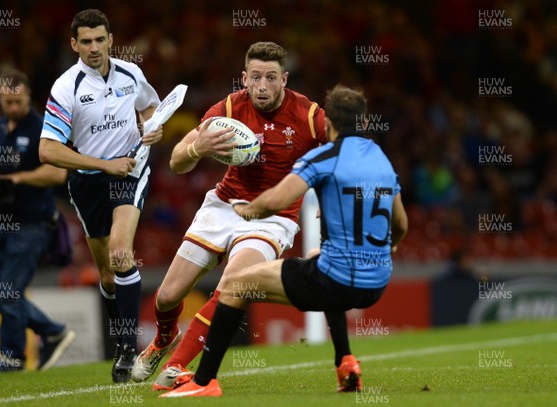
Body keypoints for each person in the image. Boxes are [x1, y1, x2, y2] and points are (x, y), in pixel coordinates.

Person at [160, 84, 409, 397]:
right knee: (321, 253)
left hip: (336, 281)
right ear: (364, 122)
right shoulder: (380, 158)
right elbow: (400, 223)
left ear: (328, 121)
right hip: (377, 283)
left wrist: (247, 209)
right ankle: (346, 361)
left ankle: (204, 382)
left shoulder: (322, 157)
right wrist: (390, 245)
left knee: (236, 285)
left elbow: (277, 200)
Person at [131, 41, 329, 388]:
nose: (262, 86)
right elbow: (177, 161)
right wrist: (198, 147)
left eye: (270, 77)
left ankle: (177, 367)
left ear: (284, 78)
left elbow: (346, 150)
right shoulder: (227, 109)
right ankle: (165, 338)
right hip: (224, 207)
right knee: (166, 297)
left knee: (231, 284)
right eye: (255, 77)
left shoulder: (309, 116)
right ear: (244, 79)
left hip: (272, 216)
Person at [38, 9, 162, 382]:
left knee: (122, 252)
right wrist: (103, 165)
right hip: (88, 181)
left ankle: (126, 349)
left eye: (100, 39)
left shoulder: (130, 73)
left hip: (130, 171)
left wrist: (151, 128)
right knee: (107, 275)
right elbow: (47, 150)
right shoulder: (66, 86)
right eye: (86, 42)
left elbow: (151, 108)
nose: (94, 48)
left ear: (110, 39)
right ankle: (123, 341)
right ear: (74, 44)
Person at [0, 68, 75, 373]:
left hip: (33, 223)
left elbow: (57, 173)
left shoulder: (42, 127)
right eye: (7, 102)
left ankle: (12, 358)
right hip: (3, 222)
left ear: (28, 95)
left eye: (17, 101)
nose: (12, 107)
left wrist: (17, 178)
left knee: (8, 290)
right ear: (1, 99)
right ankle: (52, 331)